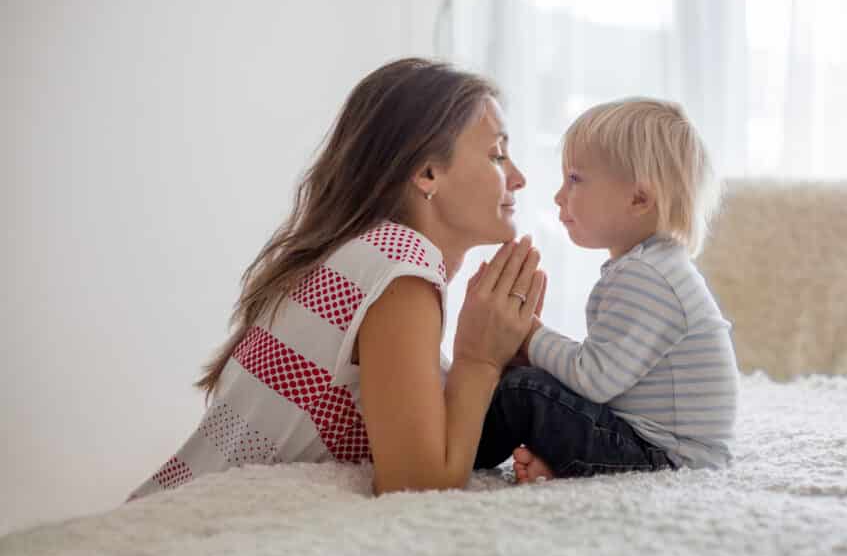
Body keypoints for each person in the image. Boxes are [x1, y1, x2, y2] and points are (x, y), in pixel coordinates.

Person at [129, 57, 545, 499]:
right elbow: (417, 485)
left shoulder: (360, 255)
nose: (518, 178)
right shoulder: (400, 259)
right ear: (427, 173)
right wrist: (478, 359)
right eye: (497, 155)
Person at [473, 99, 737, 482]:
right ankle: (567, 464)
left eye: (575, 180)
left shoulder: (647, 276)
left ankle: (457, 451)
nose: (559, 196)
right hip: (654, 443)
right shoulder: (653, 267)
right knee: (536, 381)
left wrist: (530, 336)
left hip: (669, 458)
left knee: (524, 389)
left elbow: (594, 379)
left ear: (638, 199)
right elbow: (606, 376)